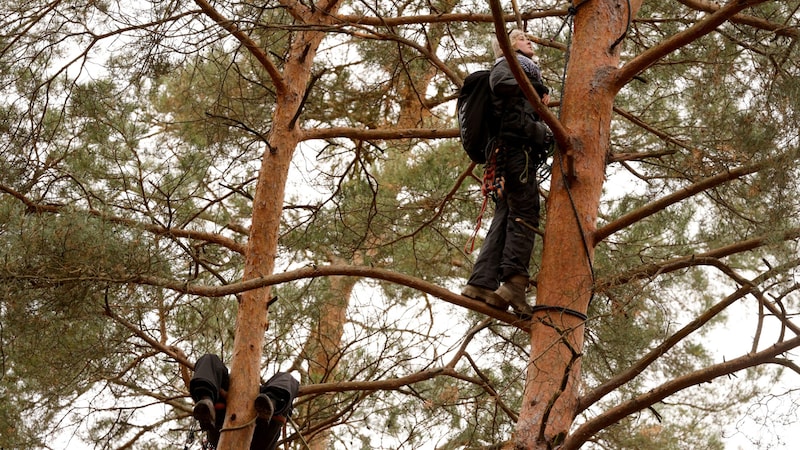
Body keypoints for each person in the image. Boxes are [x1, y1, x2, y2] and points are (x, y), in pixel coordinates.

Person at [461, 28, 551, 318]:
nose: (530, 41)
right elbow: (502, 86)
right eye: (523, 38)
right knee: (524, 213)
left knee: (505, 215)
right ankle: (514, 284)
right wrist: (538, 91)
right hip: (516, 151)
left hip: (506, 153)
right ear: (509, 45)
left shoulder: (517, 67)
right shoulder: (511, 64)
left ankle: (482, 283)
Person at [190, 353, 300, 450]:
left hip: (262, 430)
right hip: (221, 425)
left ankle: (270, 406)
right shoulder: (227, 386)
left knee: (287, 379)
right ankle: (207, 400)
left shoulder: (263, 393)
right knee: (209, 359)